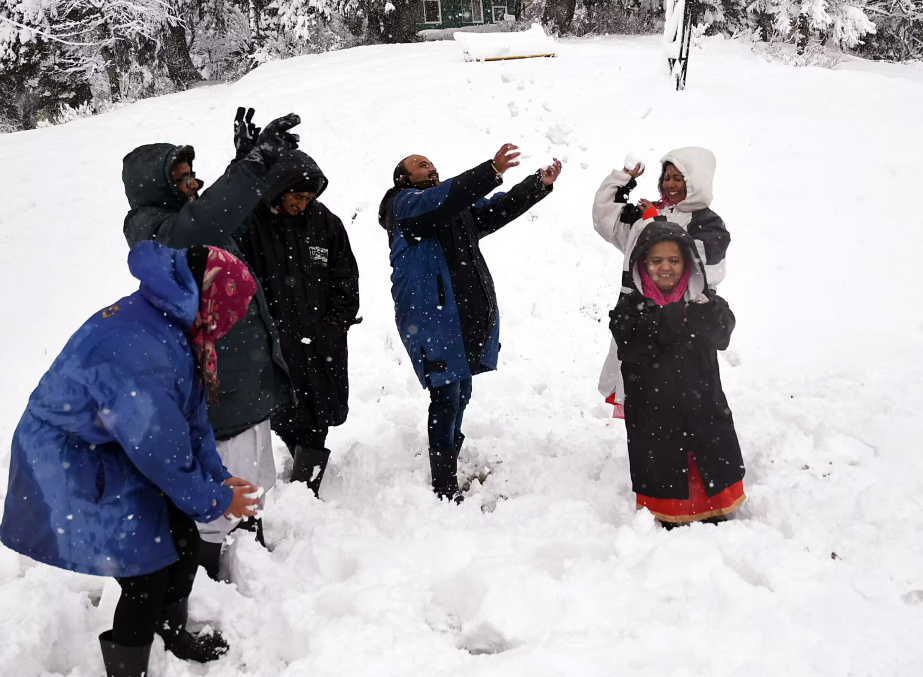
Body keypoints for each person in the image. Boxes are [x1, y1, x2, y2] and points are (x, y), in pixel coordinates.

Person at [0, 242, 262, 677]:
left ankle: (169, 630)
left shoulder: (175, 324)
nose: (231, 323)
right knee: (146, 568)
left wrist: (218, 477)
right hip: (72, 456)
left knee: (181, 534)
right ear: (210, 297)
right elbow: (160, 450)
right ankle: (130, 667)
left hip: (114, 441)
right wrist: (214, 500)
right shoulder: (145, 349)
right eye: (231, 310)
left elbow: (187, 419)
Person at [120, 113, 300, 575]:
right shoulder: (152, 228)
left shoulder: (191, 219)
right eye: (181, 179)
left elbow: (225, 214)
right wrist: (251, 166)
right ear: (154, 187)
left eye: (193, 176)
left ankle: (249, 545)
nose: (193, 184)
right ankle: (210, 572)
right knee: (224, 475)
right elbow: (199, 225)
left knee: (252, 468)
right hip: (216, 386)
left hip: (242, 378)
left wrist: (245, 164)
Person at [378, 145, 562, 502]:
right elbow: (445, 198)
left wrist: (536, 184)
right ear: (403, 178)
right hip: (430, 317)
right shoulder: (405, 205)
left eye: (431, 160)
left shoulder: (448, 207)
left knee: (461, 392)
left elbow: (494, 208)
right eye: (419, 164)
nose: (429, 164)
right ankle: (444, 484)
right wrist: (491, 170)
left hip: (456, 316)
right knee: (446, 396)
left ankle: (447, 457)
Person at [238, 149, 361, 497]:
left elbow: (346, 276)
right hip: (276, 341)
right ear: (278, 189)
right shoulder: (253, 224)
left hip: (323, 340)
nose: (302, 204)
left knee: (320, 411)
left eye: (308, 198)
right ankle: (304, 476)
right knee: (286, 413)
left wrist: (337, 321)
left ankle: (305, 488)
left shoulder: (325, 223)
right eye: (296, 196)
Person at [608, 217, 745, 527]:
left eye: (674, 259)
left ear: (688, 264)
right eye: (656, 260)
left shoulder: (702, 301)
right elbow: (630, 341)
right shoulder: (631, 307)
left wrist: (701, 311)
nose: (665, 267)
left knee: (710, 459)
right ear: (642, 264)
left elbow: (722, 332)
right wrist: (676, 315)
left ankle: (718, 508)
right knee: (665, 467)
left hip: (703, 408)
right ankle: (670, 516)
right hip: (655, 418)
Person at [591, 147, 730, 417]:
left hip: (682, 326)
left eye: (679, 178)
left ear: (696, 180)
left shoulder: (709, 224)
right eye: (667, 177)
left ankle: (690, 456)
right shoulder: (652, 213)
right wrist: (623, 179)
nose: (671, 184)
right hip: (640, 321)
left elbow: (700, 265)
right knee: (643, 396)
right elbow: (606, 220)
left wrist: (656, 222)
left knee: (684, 398)